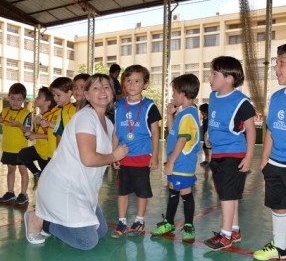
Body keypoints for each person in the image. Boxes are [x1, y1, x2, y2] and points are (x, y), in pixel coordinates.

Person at [23, 73, 128, 250]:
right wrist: (113, 157)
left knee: (100, 231)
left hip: (83, 188)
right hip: (63, 187)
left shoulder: (108, 123)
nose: (102, 90)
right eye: (95, 87)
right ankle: (41, 220)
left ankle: (50, 216)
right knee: (87, 241)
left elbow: (102, 154)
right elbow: (88, 159)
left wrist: (112, 160)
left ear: (112, 93)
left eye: (106, 87)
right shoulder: (85, 117)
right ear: (87, 95)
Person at [253, 40, 286, 261]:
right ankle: (280, 247)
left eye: (282, 62)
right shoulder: (277, 96)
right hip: (275, 164)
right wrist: (264, 158)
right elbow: (271, 129)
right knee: (278, 206)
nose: (276, 67)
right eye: (275, 62)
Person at [203, 56, 256, 251]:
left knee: (226, 196)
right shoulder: (213, 97)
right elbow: (214, 119)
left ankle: (225, 235)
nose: (210, 78)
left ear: (229, 78)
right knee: (229, 194)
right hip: (217, 154)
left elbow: (250, 129)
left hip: (233, 155)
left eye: (214, 74)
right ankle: (234, 230)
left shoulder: (240, 101)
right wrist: (208, 135)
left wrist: (249, 156)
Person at [111, 64, 161, 238]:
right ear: (123, 83)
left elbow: (155, 132)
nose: (132, 85)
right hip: (123, 155)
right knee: (122, 190)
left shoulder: (149, 106)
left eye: (137, 81)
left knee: (141, 191)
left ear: (145, 84)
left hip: (141, 156)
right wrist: (113, 154)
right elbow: (116, 132)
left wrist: (155, 156)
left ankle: (139, 221)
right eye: (129, 80)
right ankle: (122, 221)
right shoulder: (118, 106)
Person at [151, 74, 201, 241]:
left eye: (174, 92)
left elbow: (182, 139)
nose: (172, 95)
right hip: (176, 159)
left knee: (185, 192)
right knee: (173, 189)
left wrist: (171, 162)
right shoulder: (183, 113)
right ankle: (169, 222)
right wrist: (170, 114)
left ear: (182, 93)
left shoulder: (188, 114)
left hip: (182, 161)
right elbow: (173, 132)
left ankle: (188, 225)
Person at [18, 87, 56, 190]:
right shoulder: (38, 116)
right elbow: (39, 133)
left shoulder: (52, 116)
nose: (36, 98)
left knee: (49, 183)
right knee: (22, 154)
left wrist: (35, 135)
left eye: (39, 97)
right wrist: (31, 133)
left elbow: (51, 135)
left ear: (47, 102)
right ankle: (37, 173)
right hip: (39, 149)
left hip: (46, 153)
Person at [0, 83, 31, 204]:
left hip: (21, 149)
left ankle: (23, 194)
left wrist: (19, 125)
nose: (15, 102)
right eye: (12, 98)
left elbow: (28, 130)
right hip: (8, 147)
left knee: (23, 170)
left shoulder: (26, 113)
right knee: (10, 170)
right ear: (8, 97)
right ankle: (10, 192)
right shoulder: (4, 111)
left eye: (19, 99)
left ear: (23, 100)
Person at [39, 77, 73, 158]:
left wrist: (49, 124)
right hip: (51, 150)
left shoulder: (71, 110)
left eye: (58, 95)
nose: (55, 98)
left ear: (69, 93)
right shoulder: (55, 109)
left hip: (62, 153)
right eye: (54, 95)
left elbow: (67, 130)